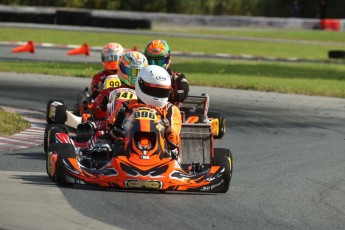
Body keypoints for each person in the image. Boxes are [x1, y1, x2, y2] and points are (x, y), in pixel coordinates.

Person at [111, 65, 182, 152]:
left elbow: (175, 143)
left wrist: (168, 129)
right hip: (127, 154)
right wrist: (118, 123)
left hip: (162, 156)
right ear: (141, 85)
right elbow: (111, 134)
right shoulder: (125, 106)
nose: (158, 95)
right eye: (154, 90)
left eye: (162, 91)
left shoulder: (171, 110)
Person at [87, 51, 148, 122]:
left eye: (138, 72)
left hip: (139, 126)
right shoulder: (109, 92)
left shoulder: (147, 94)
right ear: (121, 69)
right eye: (131, 72)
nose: (134, 76)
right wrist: (102, 107)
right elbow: (95, 111)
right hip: (111, 126)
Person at [144, 39, 189, 105]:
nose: (157, 65)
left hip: (167, 110)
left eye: (160, 61)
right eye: (152, 61)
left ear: (167, 59)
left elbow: (182, 94)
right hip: (144, 109)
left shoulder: (177, 77)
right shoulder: (141, 76)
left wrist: (164, 94)